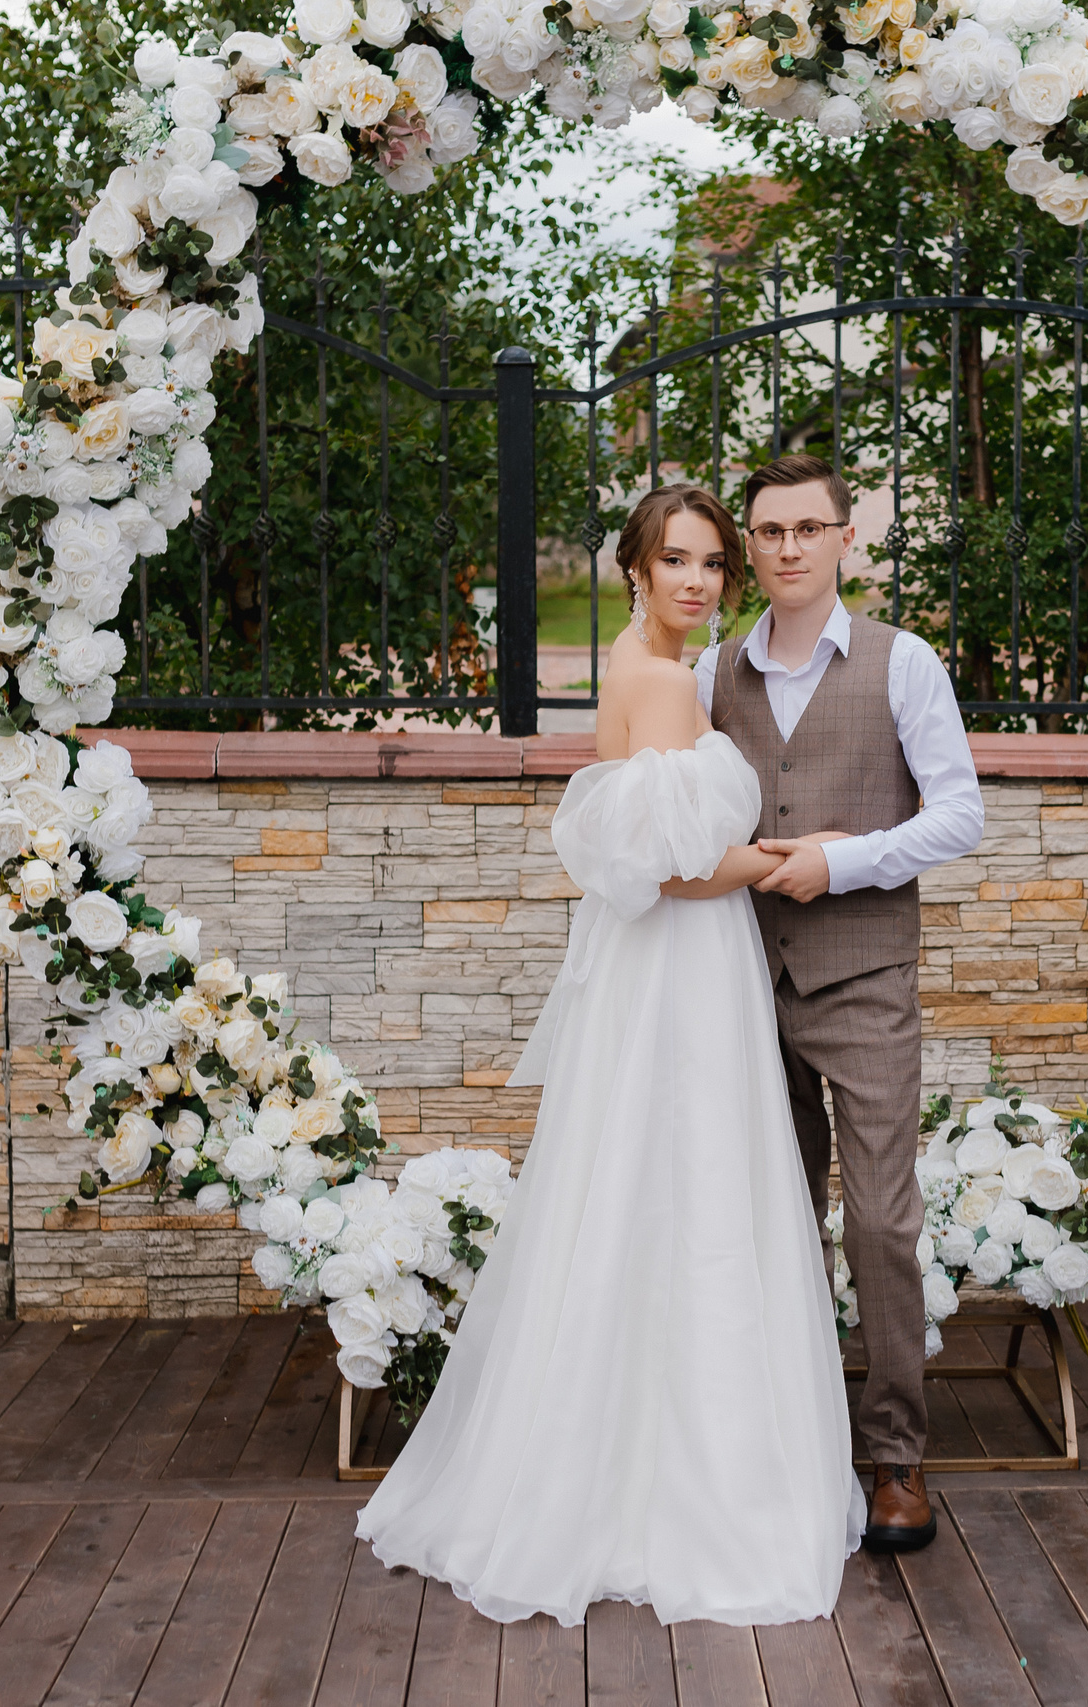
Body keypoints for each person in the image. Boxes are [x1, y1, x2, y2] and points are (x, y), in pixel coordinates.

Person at [355, 484, 864, 1627]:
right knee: (689, 1183)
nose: (698, 581)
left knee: (640, 1185)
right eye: (675, 560)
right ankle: (679, 1489)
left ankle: (617, 1456)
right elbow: (679, 873)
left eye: (712, 563)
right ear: (634, 567)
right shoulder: (661, 680)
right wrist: (800, 851)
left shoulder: (645, 666)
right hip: (681, 965)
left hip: (663, 968)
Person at [700, 454, 985, 1554]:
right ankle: (785, 1440)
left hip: (862, 979)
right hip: (740, 977)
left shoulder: (901, 662)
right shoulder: (713, 672)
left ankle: (896, 1455)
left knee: (877, 1220)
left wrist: (845, 860)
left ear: (843, 539)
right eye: (768, 532)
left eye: (807, 529)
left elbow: (959, 815)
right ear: (750, 546)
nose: (787, 549)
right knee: (763, 1219)